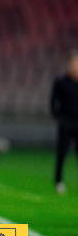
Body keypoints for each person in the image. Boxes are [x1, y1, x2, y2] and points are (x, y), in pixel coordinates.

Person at [50, 50, 78, 194]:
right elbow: (53, 101)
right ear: (69, 65)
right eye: (73, 64)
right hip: (66, 123)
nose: (75, 67)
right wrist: (58, 117)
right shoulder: (61, 82)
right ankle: (58, 180)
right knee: (62, 152)